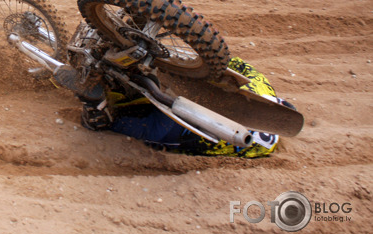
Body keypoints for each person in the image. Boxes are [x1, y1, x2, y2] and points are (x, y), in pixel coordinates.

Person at [79, 57, 295, 158]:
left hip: (201, 101)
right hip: (193, 127)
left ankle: (105, 118)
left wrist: (206, 54)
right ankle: (102, 117)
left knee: (154, 130)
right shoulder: (255, 148)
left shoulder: (263, 88)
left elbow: (237, 63)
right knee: (152, 132)